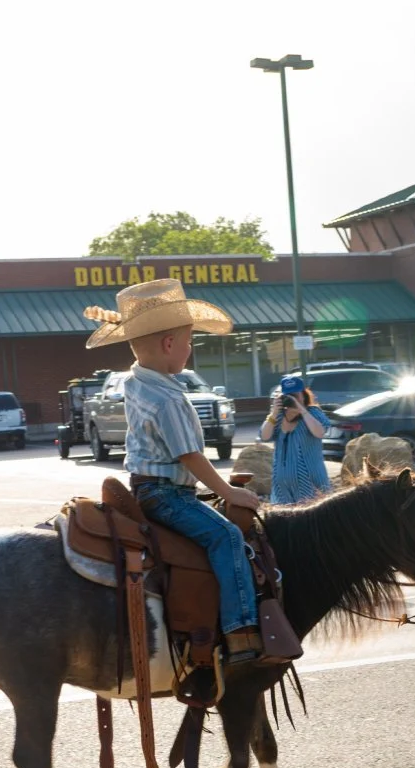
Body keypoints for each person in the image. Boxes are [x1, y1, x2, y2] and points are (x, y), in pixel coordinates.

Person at [82, 278, 264, 666]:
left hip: (146, 487)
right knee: (227, 536)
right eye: (188, 341)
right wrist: (229, 493)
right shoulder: (169, 398)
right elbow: (191, 457)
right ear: (168, 345)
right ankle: (241, 631)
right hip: (167, 494)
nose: (190, 349)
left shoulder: (135, 382)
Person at [261, 373, 332, 503]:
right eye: (288, 396)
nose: (292, 399)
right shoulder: (278, 416)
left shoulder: (313, 413)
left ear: (304, 395)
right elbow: (264, 436)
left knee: (312, 520)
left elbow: (320, 432)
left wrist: (301, 409)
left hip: (311, 484)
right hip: (281, 487)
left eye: (295, 395)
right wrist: (274, 412)